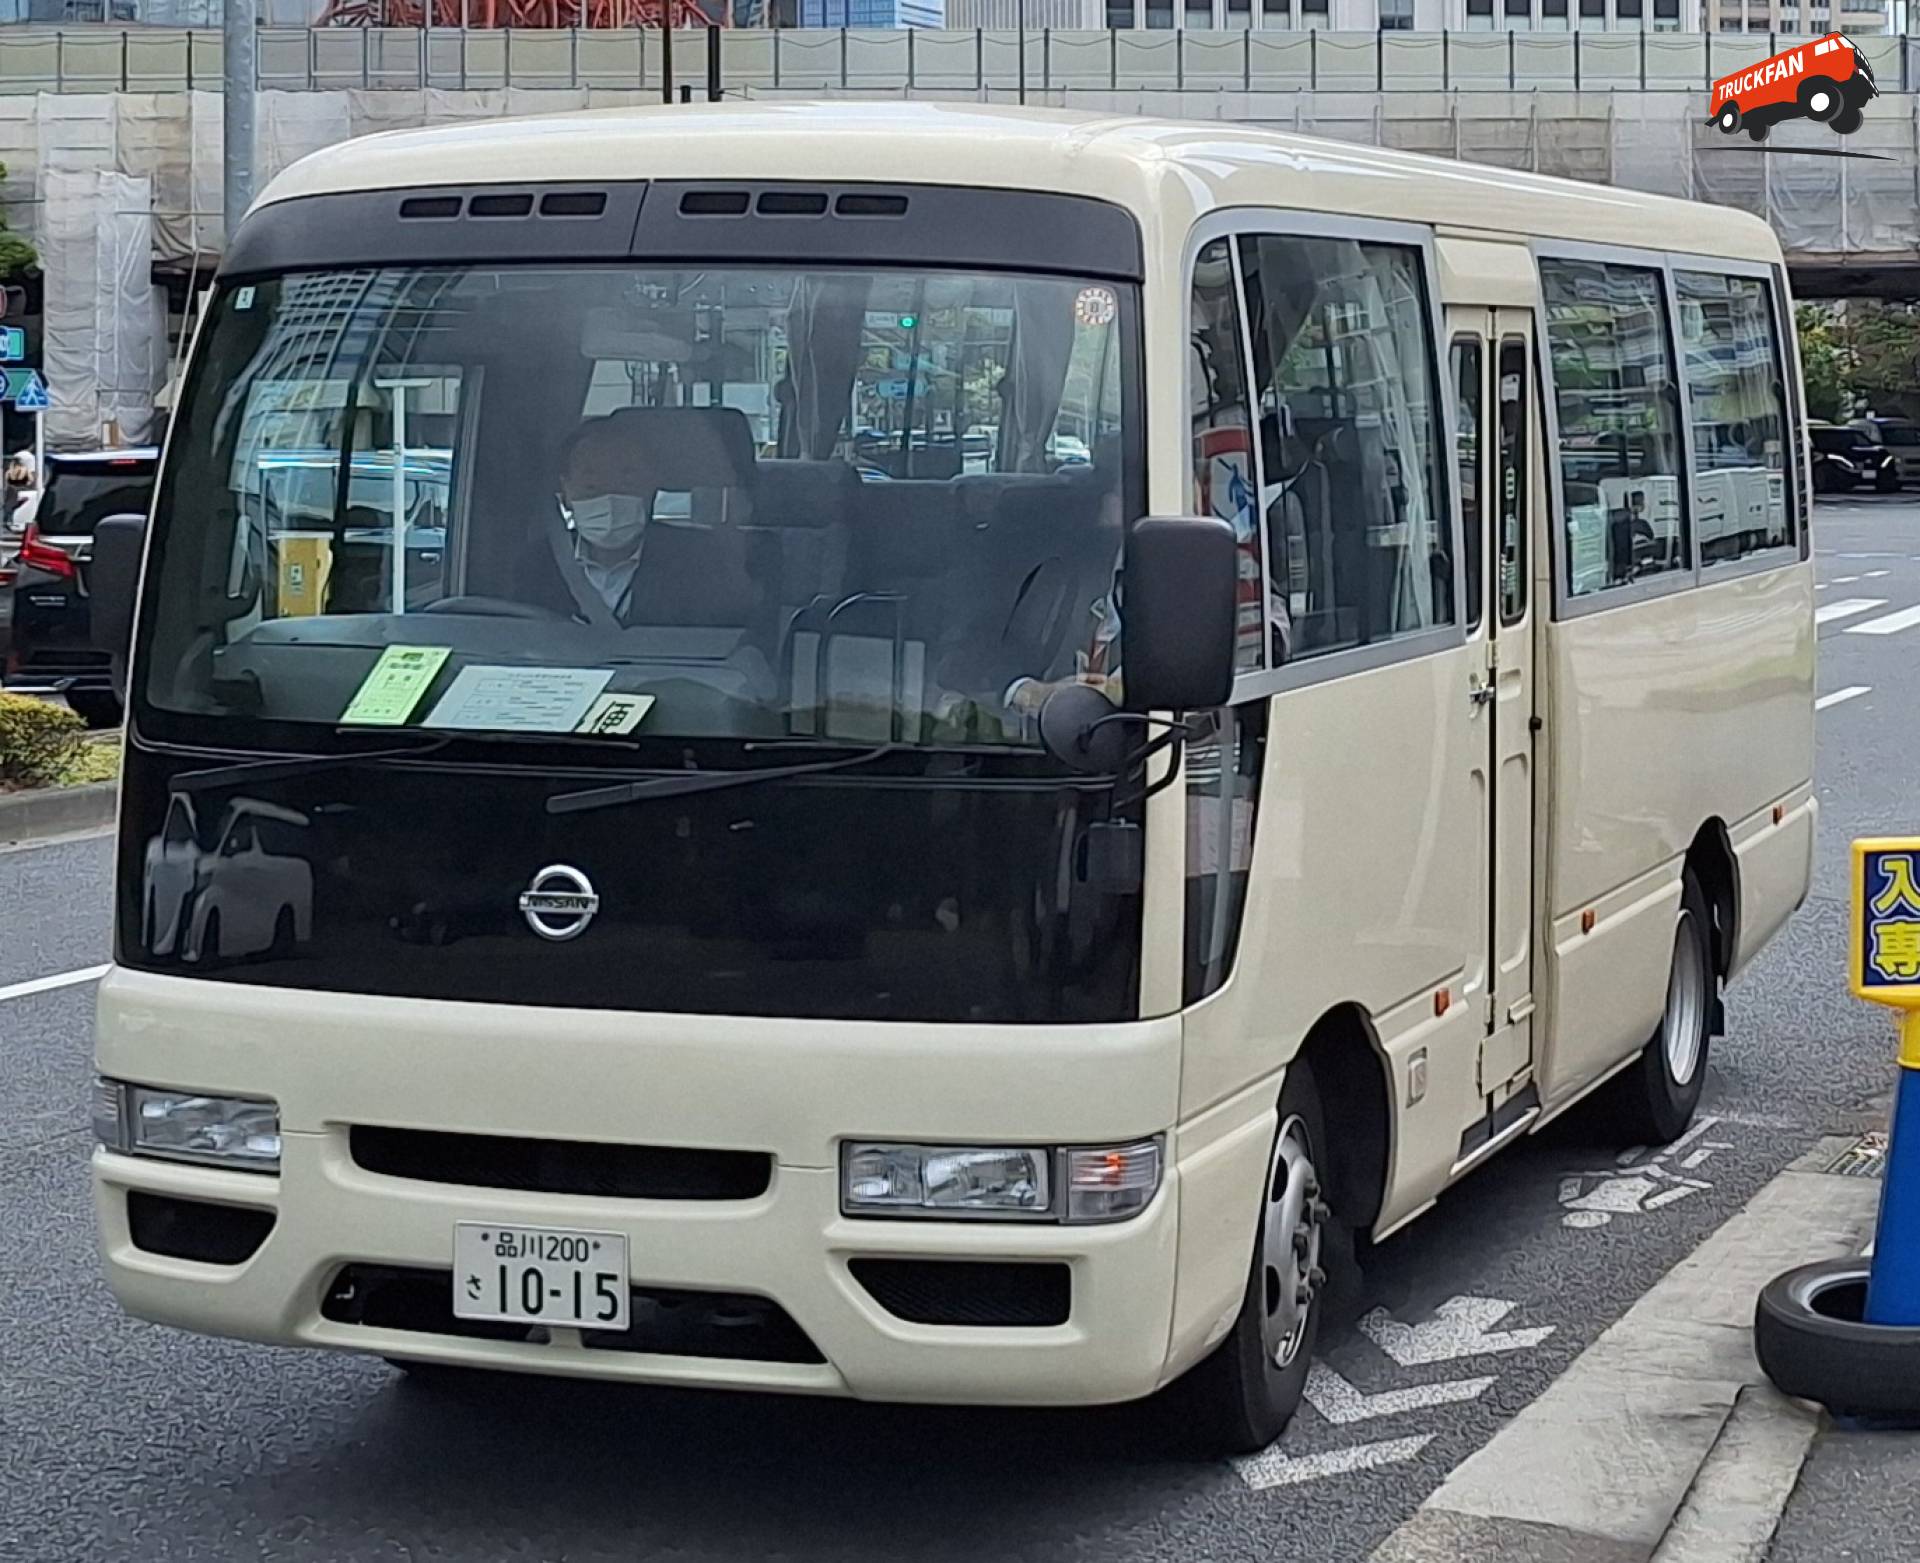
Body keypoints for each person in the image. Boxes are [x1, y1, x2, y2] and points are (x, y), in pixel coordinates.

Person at [553, 418, 655, 625]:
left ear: (650, 487)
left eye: (625, 481)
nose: (609, 496)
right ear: (566, 492)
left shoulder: (699, 566)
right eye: (592, 486)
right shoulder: (539, 566)